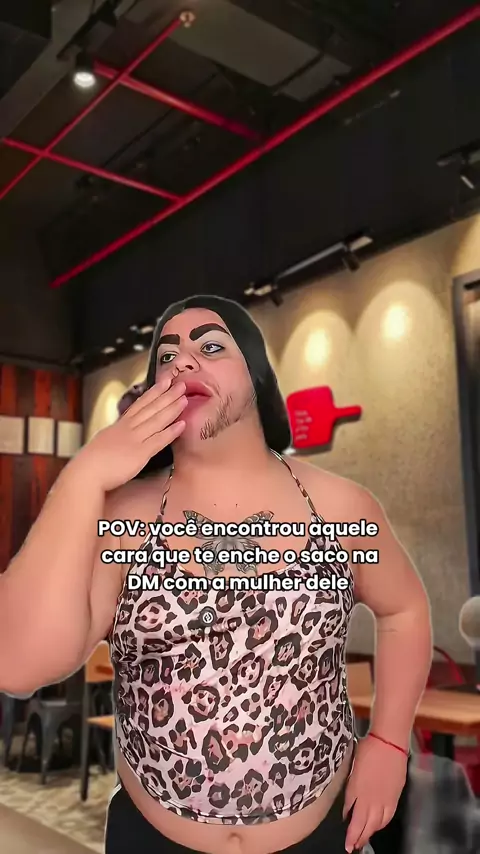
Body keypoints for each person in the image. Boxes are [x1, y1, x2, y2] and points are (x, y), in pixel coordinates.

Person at [0, 295, 432, 854]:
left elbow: (404, 609)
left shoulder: (340, 507)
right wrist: (84, 476)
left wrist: (390, 744)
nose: (182, 362)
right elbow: (17, 665)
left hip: (324, 833)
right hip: (151, 838)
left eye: (210, 347)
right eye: (167, 356)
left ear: (257, 374)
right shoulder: (120, 521)